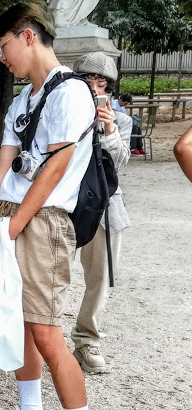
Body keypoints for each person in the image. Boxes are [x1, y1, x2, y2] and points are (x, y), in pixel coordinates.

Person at [0, 0, 97, 410]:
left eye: (3, 45)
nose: (1, 56)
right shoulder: (22, 100)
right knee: (17, 319)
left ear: (28, 36)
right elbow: (5, 159)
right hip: (13, 216)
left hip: (42, 220)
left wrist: (15, 225)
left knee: (45, 329)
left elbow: (57, 166)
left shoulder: (72, 93)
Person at [70, 53, 132, 374]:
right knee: (51, 273)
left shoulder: (121, 119)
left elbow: (120, 163)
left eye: (102, 82)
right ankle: (41, 335)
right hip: (66, 202)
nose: (95, 87)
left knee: (101, 277)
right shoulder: (66, 112)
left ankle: (86, 338)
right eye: (88, 80)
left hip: (106, 204)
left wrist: (108, 129)